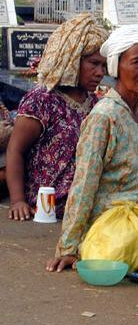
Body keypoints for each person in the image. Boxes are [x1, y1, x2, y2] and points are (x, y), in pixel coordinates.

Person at [46, 25, 138, 272]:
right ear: (116, 66)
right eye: (137, 62)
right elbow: (84, 183)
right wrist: (68, 247)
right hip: (110, 225)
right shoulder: (104, 116)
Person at [6, 13, 108, 221]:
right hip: (47, 205)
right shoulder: (43, 100)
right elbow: (15, 150)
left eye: (104, 66)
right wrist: (17, 200)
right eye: (93, 63)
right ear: (71, 60)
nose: (100, 72)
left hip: (83, 202)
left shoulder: (95, 104)